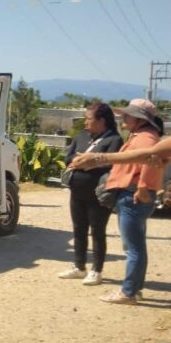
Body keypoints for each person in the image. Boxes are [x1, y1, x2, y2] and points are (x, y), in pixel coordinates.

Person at [91, 99, 164, 305]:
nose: (124, 117)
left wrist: (142, 186)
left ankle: (129, 292)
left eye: (128, 114)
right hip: (134, 192)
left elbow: (151, 160)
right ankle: (134, 289)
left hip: (133, 194)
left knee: (133, 248)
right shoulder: (143, 135)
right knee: (136, 246)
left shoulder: (145, 138)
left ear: (139, 118)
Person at [58, 103, 123, 285]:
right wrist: (79, 160)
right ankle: (79, 267)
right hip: (77, 192)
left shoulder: (114, 140)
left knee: (97, 232)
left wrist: (91, 162)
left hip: (98, 195)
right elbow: (67, 157)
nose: (85, 122)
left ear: (101, 120)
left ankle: (96, 270)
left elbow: (113, 164)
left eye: (89, 118)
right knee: (79, 229)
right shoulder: (81, 136)